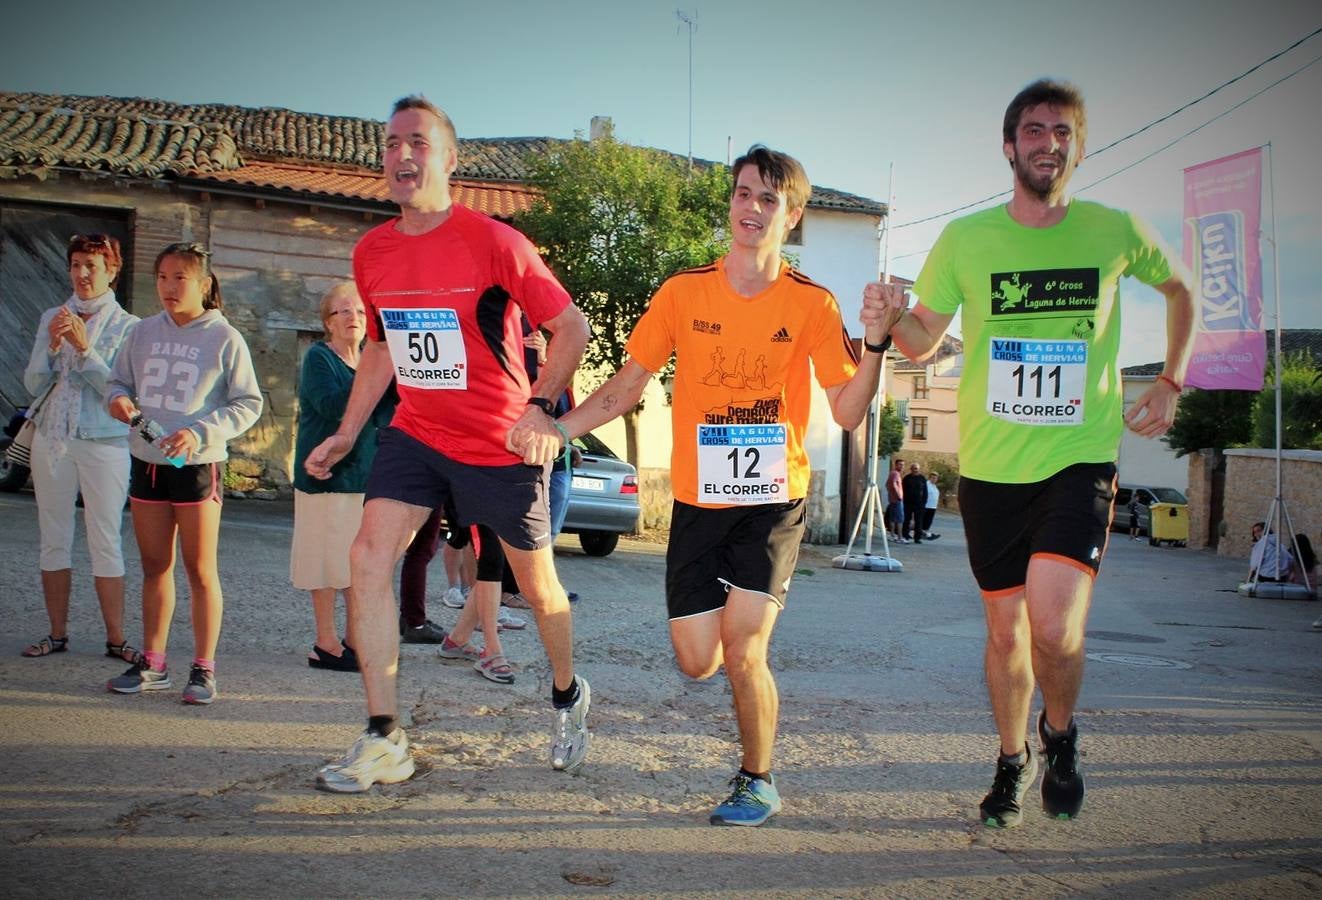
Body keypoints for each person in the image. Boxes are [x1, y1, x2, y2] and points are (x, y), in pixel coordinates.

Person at [516, 145, 889, 826]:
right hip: (698, 498)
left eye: (769, 199)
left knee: (747, 648)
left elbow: (845, 408)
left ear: (793, 214)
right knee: (697, 661)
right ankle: (744, 712)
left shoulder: (811, 302)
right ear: (731, 203)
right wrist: (560, 428)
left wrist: (877, 346)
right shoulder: (684, 292)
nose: (752, 208)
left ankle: (758, 778)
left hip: (773, 499)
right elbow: (629, 385)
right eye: (744, 194)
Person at [863, 79, 1195, 828]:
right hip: (990, 466)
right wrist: (888, 321)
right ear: (1009, 146)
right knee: (1005, 631)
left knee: (1053, 625)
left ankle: (1061, 733)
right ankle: (1013, 759)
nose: (1050, 143)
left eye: (1064, 132)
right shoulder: (967, 239)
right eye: (1036, 130)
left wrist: (1172, 378)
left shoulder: (1115, 229)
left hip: (1078, 458)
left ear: (1077, 145)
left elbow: (1180, 290)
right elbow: (923, 337)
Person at [304, 95, 591, 793]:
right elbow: (380, 347)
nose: (403, 154)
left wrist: (539, 410)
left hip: (499, 441)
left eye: (419, 142)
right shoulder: (372, 251)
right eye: (392, 142)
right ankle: (383, 737)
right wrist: (347, 431)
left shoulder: (495, 242)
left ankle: (566, 693)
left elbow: (572, 329)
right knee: (368, 556)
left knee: (539, 589)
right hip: (418, 433)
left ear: (449, 159)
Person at [105, 242, 263, 705]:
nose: (170, 288)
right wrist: (116, 399)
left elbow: (248, 403)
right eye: (162, 277)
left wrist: (200, 431)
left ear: (204, 284)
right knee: (156, 566)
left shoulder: (225, 337)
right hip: (146, 463)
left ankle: (203, 668)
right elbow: (118, 383)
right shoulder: (141, 332)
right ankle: (153, 662)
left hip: (197, 467)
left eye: (181, 278)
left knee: (199, 569)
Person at [20, 234, 139, 662]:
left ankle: (116, 638)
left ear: (111, 269)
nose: (82, 274)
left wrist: (85, 348)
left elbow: (119, 390)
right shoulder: (53, 315)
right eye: (75, 265)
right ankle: (56, 633)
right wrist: (52, 346)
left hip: (104, 441)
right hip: (52, 438)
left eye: (91, 265)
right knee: (53, 537)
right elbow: (33, 385)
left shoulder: (129, 326)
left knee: (105, 538)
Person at [292, 283, 393, 672]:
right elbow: (333, 406)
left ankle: (355, 639)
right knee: (324, 563)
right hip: (325, 478)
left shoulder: (372, 359)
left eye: (360, 313)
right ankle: (326, 643)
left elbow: (387, 413)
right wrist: (373, 374)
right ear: (327, 323)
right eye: (343, 312)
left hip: (365, 479)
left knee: (356, 565)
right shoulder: (319, 358)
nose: (353, 318)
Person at [902, 462, 928, 544]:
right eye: (913, 468)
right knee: (907, 520)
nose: (915, 470)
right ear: (911, 469)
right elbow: (902, 490)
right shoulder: (906, 478)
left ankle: (917, 538)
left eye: (916, 468)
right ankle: (905, 536)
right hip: (908, 503)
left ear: (918, 469)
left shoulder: (922, 478)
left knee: (919, 521)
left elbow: (925, 492)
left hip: (919, 504)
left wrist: (924, 502)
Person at [886, 458, 907, 543]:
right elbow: (894, 485)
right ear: (896, 465)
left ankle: (892, 535)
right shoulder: (895, 474)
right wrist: (899, 496)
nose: (902, 466)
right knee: (900, 519)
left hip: (893, 499)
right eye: (900, 464)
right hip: (897, 500)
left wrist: (891, 494)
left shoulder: (892, 473)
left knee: (893, 518)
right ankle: (900, 537)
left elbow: (887, 485)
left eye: (903, 465)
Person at [923, 471, 942, 541]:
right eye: (933, 478)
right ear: (929, 478)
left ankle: (926, 533)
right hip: (926, 506)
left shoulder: (934, 486)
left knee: (929, 521)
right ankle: (920, 533)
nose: (934, 479)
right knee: (924, 521)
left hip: (933, 507)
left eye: (935, 478)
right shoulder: (926, 484)